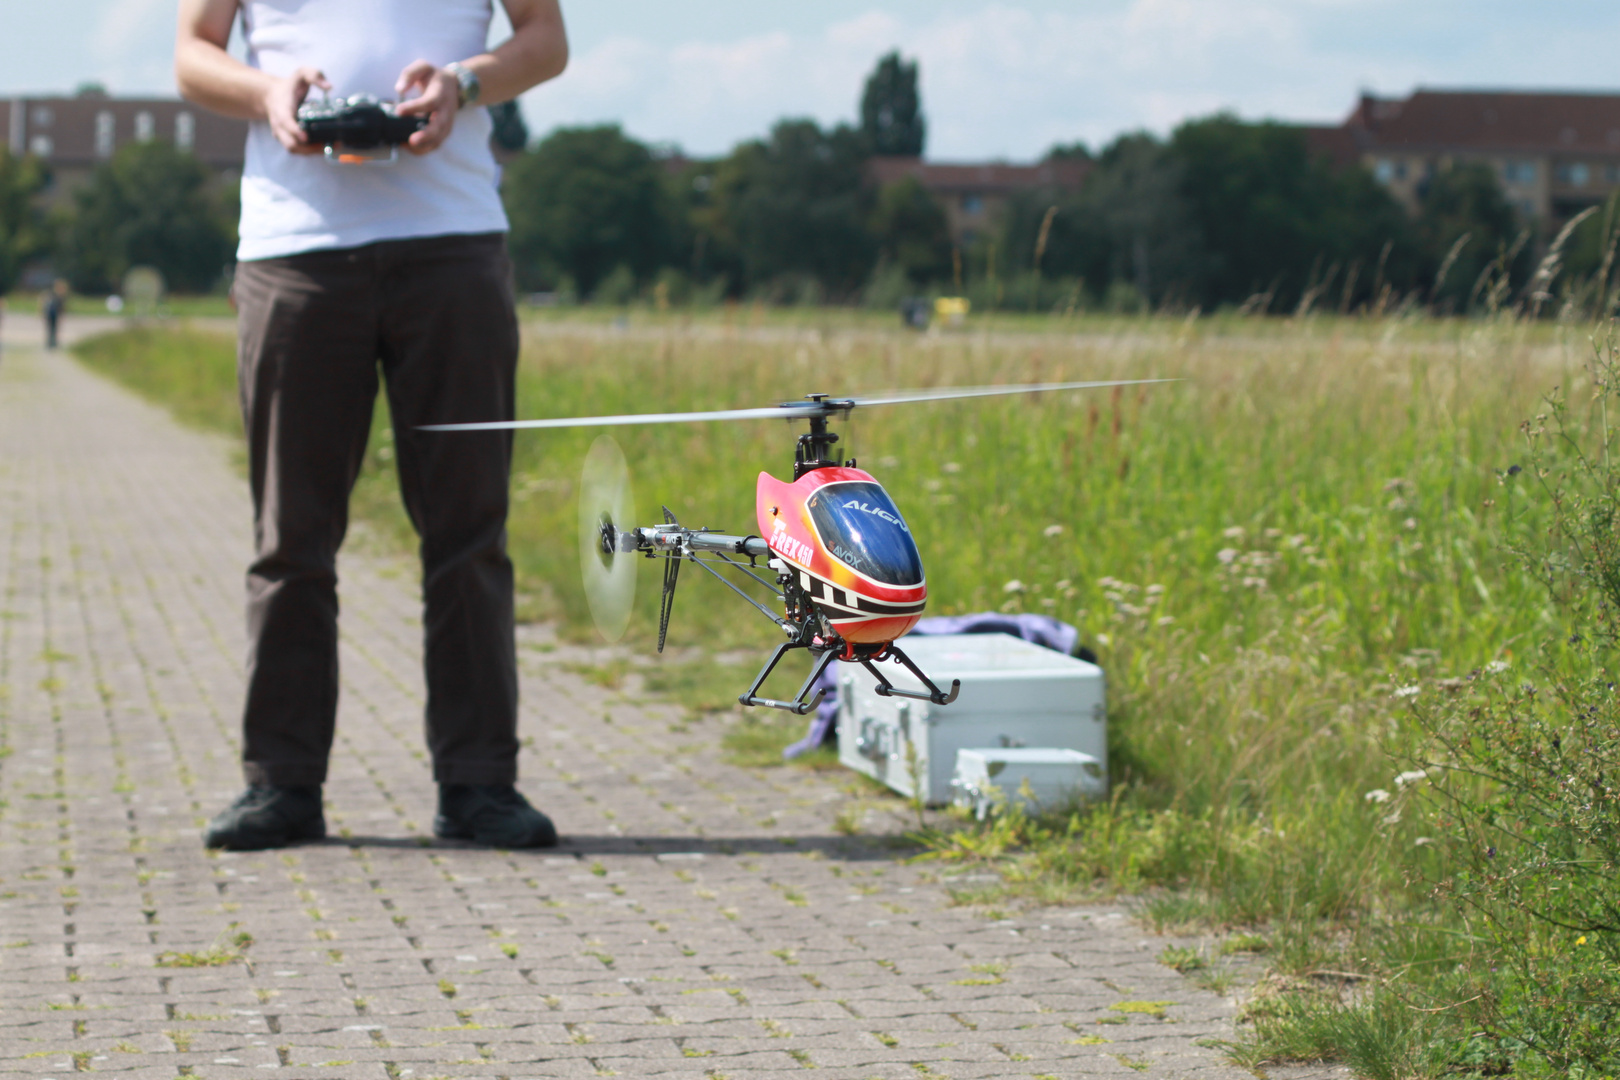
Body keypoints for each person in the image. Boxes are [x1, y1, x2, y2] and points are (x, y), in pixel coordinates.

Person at [175, 0, 568, 850]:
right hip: (295, 250)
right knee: (291, 536)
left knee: (470, 532)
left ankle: (478, 785)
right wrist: (268, 93)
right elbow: (192, 55)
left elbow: (545, 38)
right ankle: (281, 783)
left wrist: (464, 81)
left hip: (454, 242)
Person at [43, 280, 66, 349]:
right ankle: (52, 342)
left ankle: (51, 342)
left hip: (51, 314)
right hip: (52, 314)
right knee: (52, 328)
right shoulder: (58, 296)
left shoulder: (53, 295)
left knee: (52, 328)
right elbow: (61, 308)